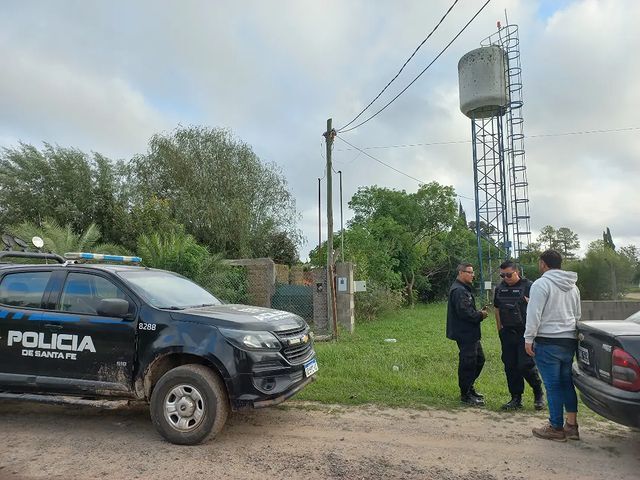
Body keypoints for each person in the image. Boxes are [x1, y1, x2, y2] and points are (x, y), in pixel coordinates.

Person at [525, 250, 581, 442]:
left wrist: (528, 338)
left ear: (542, 263)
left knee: (553, 385)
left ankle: (555, 427)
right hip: (569, 340)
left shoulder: (541, 284)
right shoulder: (573, 287)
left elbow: (534, 314)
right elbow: (577, 315)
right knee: (566, 383)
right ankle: (572, 426)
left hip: (548, 340)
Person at [493, 260, 545, 411]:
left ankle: (538, 393)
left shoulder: (530, 286)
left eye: (509, 274)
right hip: (507, 333)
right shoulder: (500, 288)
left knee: (525, 365)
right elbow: (497, 309)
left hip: (525, 333)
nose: (506, 278)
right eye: (502, 275)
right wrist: (499, 330)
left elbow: (539, 309)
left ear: (517, 272)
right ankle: (516, 398)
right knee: (510, 366)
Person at [446, 262, 489, 406]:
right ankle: (465, 395)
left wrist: (478, 313)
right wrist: (481, 315)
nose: (473, 275)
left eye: (473, 272)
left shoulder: (463, 288)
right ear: (460, 273)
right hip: (465, 333)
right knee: (468, 363)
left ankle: (469, 387)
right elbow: (465, 313)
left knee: (479, 360)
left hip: (471, 333)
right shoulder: (459, 290)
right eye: (469, 272)